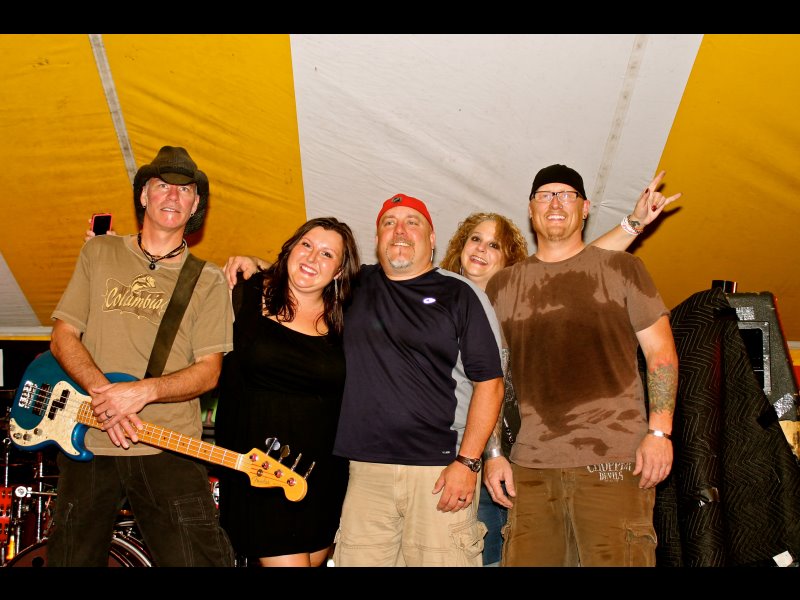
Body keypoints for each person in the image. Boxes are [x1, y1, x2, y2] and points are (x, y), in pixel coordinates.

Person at [224, 194, 505, 567]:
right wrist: (255, 264)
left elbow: (491, 383)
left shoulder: (458, 293)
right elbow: (309, 270)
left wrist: (468, 462)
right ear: (377, 239)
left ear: (432, 238)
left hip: (436, 472)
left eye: (412, 222)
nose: (399, 231)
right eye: (389, 223)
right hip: (363, 474)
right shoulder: (354, 288)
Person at [438, 175, 679, 566]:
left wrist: (659, 432)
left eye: (566, 196)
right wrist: (494, 454)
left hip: (614, 462)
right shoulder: (503, 286)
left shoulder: (623, 268)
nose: (554, 203)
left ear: (585, 209)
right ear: (531, 209)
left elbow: (661, 353)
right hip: (529, 469)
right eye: (544, 195)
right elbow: (494, 378)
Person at [47, 146, 235, 567]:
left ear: (195, 205)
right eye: (162, 185)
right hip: (89, 440)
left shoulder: (207, 279)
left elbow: (209, 372)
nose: (173, 195)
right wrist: (106, 397)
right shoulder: (99, 252)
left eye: (185, 190)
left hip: (168, 445)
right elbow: (62, 336)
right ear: (144, 196)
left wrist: (140, 393)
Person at [213, 217, 360, 567]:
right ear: (290, 249)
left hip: (323, 476)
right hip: (261, 471)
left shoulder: (348, 317)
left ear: (339, 271)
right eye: (306, 245)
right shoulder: (243, 293)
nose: (312, 257)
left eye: (327, 254)